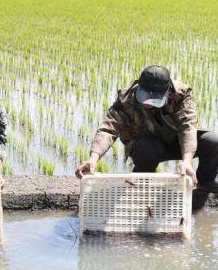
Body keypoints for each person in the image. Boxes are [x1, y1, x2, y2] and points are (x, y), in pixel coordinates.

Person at [76, 65, 218, 192]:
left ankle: (204, 181)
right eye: (145, 96)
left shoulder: (180, 95)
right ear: (139, 87)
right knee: (146, 148)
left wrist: (187, 161)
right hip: (147, 147)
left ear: (167, 91)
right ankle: (142, 183)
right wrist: (93, 159)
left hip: (176, 141)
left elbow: (187, 126)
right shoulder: (127, 99)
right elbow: (109, 128)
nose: (148, 103)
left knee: (213, 141)